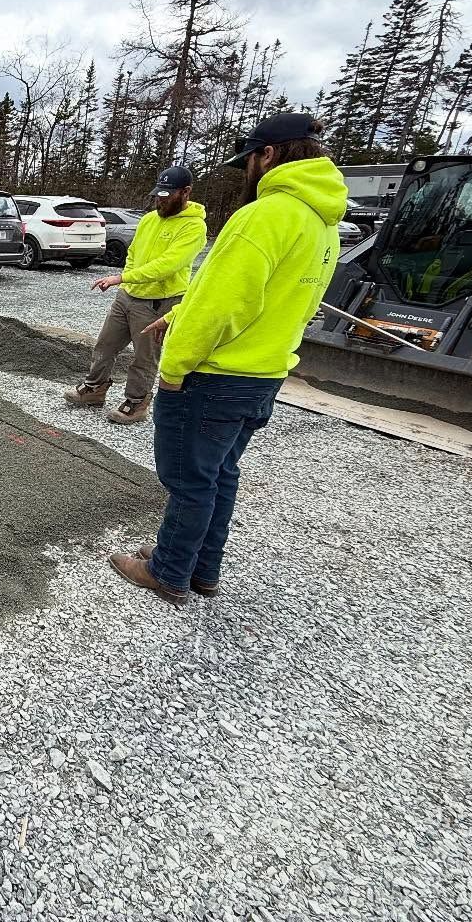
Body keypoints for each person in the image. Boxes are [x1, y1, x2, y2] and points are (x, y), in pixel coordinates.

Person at [109, 113, 346, 605]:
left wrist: (173, 370)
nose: (246, 173)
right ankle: (201, 569)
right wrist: (178, 314)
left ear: (269, 154)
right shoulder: (322, 224)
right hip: (263, 374)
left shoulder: (265, 214)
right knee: (219, 473)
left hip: (215, 376)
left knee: (188, 480)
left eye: (249, 161)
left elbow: (225, 304)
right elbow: (272, 297)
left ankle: (169, 571)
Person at [66, 166, 207, 424]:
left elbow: (168, 265)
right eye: (158, 195)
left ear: (185, 192)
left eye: (167, 196)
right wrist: (126, 281)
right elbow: (133, 255)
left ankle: (136, 402)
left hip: (157, 302)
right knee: (105, 345)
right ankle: (95, 388)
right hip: (127, 295)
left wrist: (121, 278)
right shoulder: (149, 219)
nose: (161, 201)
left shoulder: (194, 228)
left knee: (144, 356)